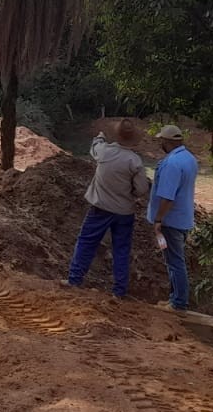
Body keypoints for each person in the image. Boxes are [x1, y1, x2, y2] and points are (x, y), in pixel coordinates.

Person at [65, 118, 151, 297]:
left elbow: (95, 146)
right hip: (124, 211)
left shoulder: (104, 152)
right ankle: (119, 291)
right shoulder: (134, 161)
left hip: (100, 208)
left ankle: (75, 280)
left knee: (86, 242)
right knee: (121, 249)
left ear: (116, 135)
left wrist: (100, 137)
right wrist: (131, 193)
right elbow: (142, 189)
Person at [146, 124, 199, 311]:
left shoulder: (171, 164)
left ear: (167, 141)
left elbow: (168, 197)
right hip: (183, 219)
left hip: (171, 221)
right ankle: (174, 299)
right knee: (174, 260)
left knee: (175, 262)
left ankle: (178, 303)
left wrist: (158, 219)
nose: (160, 143)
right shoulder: (189, 158)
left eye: (161, 140)